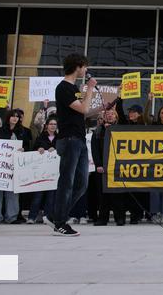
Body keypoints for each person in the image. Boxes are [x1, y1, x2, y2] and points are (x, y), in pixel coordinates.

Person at [52, 53, 96, 236]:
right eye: (84, 67)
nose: (85, 70)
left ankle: (56, 216)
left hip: (79, 138)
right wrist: (90, 89)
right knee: (67, 181)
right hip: (69, 139)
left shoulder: (74, 89)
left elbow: (83, 112)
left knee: (81, 183)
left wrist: (101, 109)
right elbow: (84, 108)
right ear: (78, 66)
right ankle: (60, 222)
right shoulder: (63, 88)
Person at [0, 108, 30, 225]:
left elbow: (27, 146)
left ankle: (11, 217)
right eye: (13, 116)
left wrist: (24, 149)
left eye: (17, 116)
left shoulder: (22, 131)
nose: (15, 118)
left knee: (13, 191)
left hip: (15, 166)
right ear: (8, 118)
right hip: (0, 167)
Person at [28, 117, 58, 224]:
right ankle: (32, 217)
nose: (53, 126)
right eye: (51, 124)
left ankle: (48, 217)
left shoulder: (59, 138)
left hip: (53, 172)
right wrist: (39, 149)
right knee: (38, 195)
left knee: (51, 196)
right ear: (46, 125)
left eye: (55, 124)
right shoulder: (40, 138)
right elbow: (33, 151)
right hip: (40, 172)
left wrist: (56, 150)